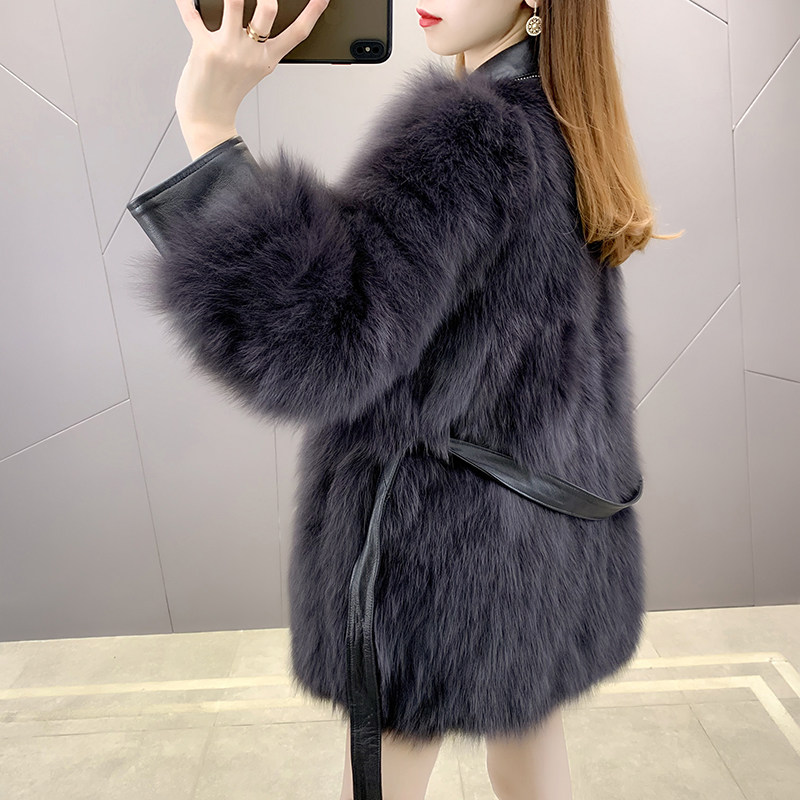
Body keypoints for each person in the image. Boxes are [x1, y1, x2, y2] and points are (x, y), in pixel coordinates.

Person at [126, 1, 681, 798]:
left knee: (392, 760)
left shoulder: (473, 134)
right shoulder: (565, 121)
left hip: (440, 558)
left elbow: (325, 340)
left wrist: (209, 129)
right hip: (547, 542)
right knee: (529, 738)